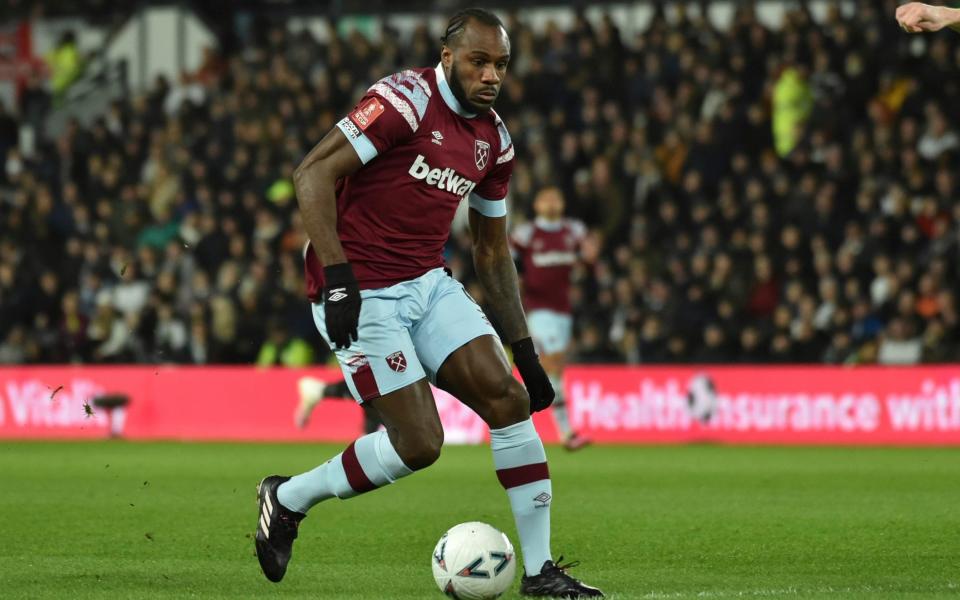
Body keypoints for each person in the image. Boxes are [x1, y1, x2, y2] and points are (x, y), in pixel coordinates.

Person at [254, 8, 603, 598]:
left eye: (501, 65)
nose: (491, 75)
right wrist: (338, 278)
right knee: (419, 445)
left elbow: (491, 253)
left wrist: (526, 351)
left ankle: (542, 572)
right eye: (479, 61)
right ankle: (287, 498)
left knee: (509, 398)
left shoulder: (495, 142)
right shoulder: (402, 102)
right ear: (448, 58)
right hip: (358, 288)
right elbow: (310, 173)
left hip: (425, 281)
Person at [510, 186, 591, 451]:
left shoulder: (574, 231)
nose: (551, 202)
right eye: (545, 197)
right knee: (553, 364)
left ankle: (518, 418)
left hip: (564, 311)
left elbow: (589, 257)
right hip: (539, 310)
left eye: (556, 197)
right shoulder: (527, 233)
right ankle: (565, 432)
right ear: (536, 204)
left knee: (552, 371)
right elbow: (507, 259)